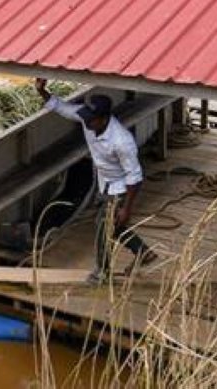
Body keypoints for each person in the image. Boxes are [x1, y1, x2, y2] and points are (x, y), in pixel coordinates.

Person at [35, 79, 157, 283]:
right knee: (112, 225)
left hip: (120, 187)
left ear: (104, 118)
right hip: (103, 181)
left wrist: (126, 208)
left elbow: (134, 177)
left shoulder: (122, 141)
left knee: (103, 227)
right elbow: (62, 108)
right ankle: (143, 252)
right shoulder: (87, 119)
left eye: (91, 120)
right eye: (86, 118)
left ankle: (102, 273)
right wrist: (42, 91)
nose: (87, 122)